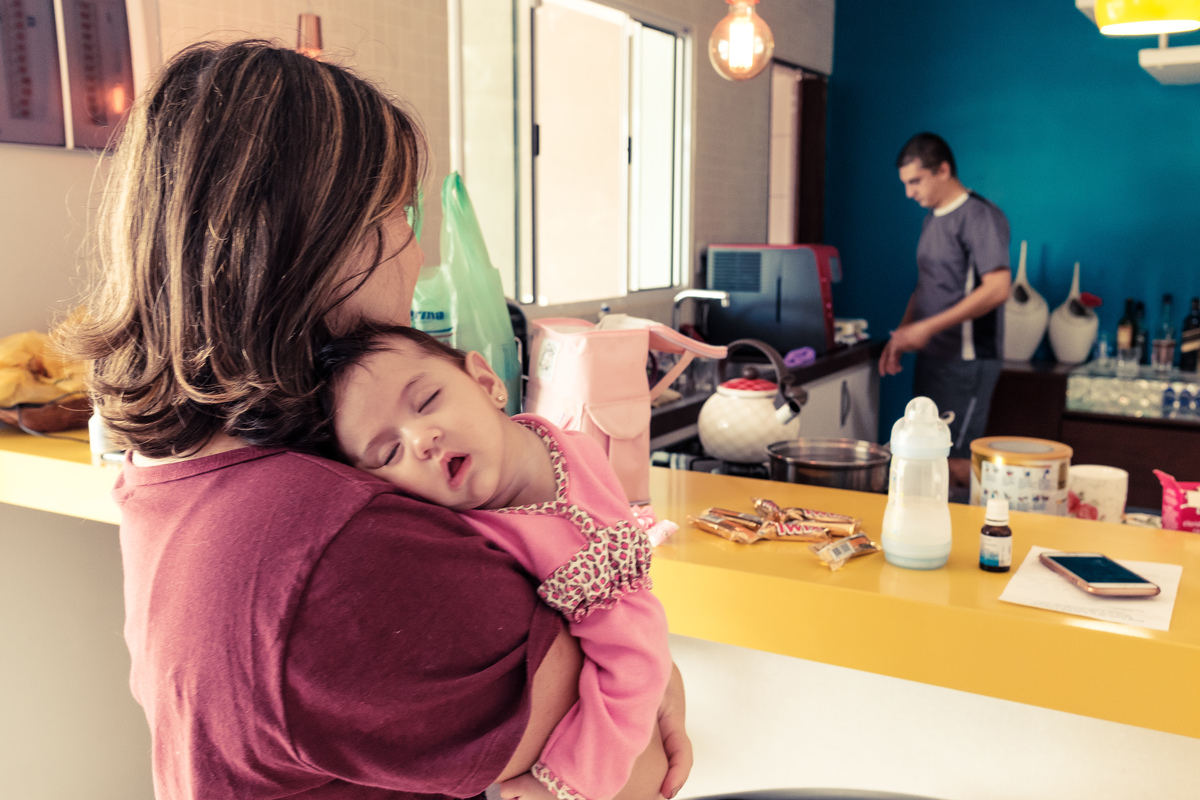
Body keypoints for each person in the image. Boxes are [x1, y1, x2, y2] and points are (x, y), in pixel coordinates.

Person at [56, 40, 690, 800]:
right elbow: (640, 760)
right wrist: (650, 664)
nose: (416, 250)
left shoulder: (167, 470)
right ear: (311, 247)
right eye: (396, 215)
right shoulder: (334, 543)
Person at [318, 324, 672, 800]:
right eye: (389, 451)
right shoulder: (448, 532)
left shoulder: (577, 460)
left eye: (426, 401)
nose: (421, 439)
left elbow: (635, 665)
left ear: (487, 382)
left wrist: (569, 783)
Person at [879, 132, 1011, 486]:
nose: (909, 193)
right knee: (926, 455)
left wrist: (929, 327)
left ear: (943, 170)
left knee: (952, 462)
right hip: (933, 358)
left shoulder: (979, 216)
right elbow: (926, 286)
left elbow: (998, 288)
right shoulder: (932, 218)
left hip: (967, 362)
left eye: (915, 181)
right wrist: (902, 334)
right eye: (905, 184)